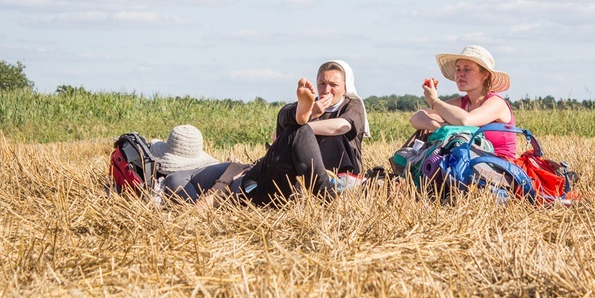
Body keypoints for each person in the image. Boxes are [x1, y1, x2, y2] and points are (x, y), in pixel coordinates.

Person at [160, 60, 369, 207]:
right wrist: (225, 179)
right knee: (289, 121)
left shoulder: (352, 105)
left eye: (333, 85)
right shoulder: (181, 179)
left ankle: (299, 117)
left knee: (295, 128)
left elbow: (342, 126)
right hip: (273, 177)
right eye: (322, 83)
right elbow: (275, 140)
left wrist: (302, 127)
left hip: (301, 175)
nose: (326, 89)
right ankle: (299, 115)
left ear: (345, 87)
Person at [409, 45, 517, 160]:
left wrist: (434, 101)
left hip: (497, 169)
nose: (460, 73)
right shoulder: (461, 102)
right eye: (458, 69)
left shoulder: (496, 103)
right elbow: (416, 117)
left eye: (467, 69)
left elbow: (466, 120)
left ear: (484, 75)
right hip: (465, 164)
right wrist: (439, 126)